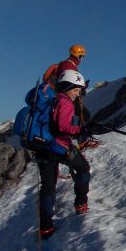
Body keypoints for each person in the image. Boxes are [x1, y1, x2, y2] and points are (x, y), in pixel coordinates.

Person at [37, 69, 92, 239]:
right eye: (76, 90)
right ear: (68, 87)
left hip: (42, 146)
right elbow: (62, 127)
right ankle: (81, 204)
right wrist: (81, 129)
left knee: (48, 187)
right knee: (83, 169)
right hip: (59, 146)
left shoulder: (53, 100)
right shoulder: (65, 102)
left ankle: (45, 227)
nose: (77, 94)